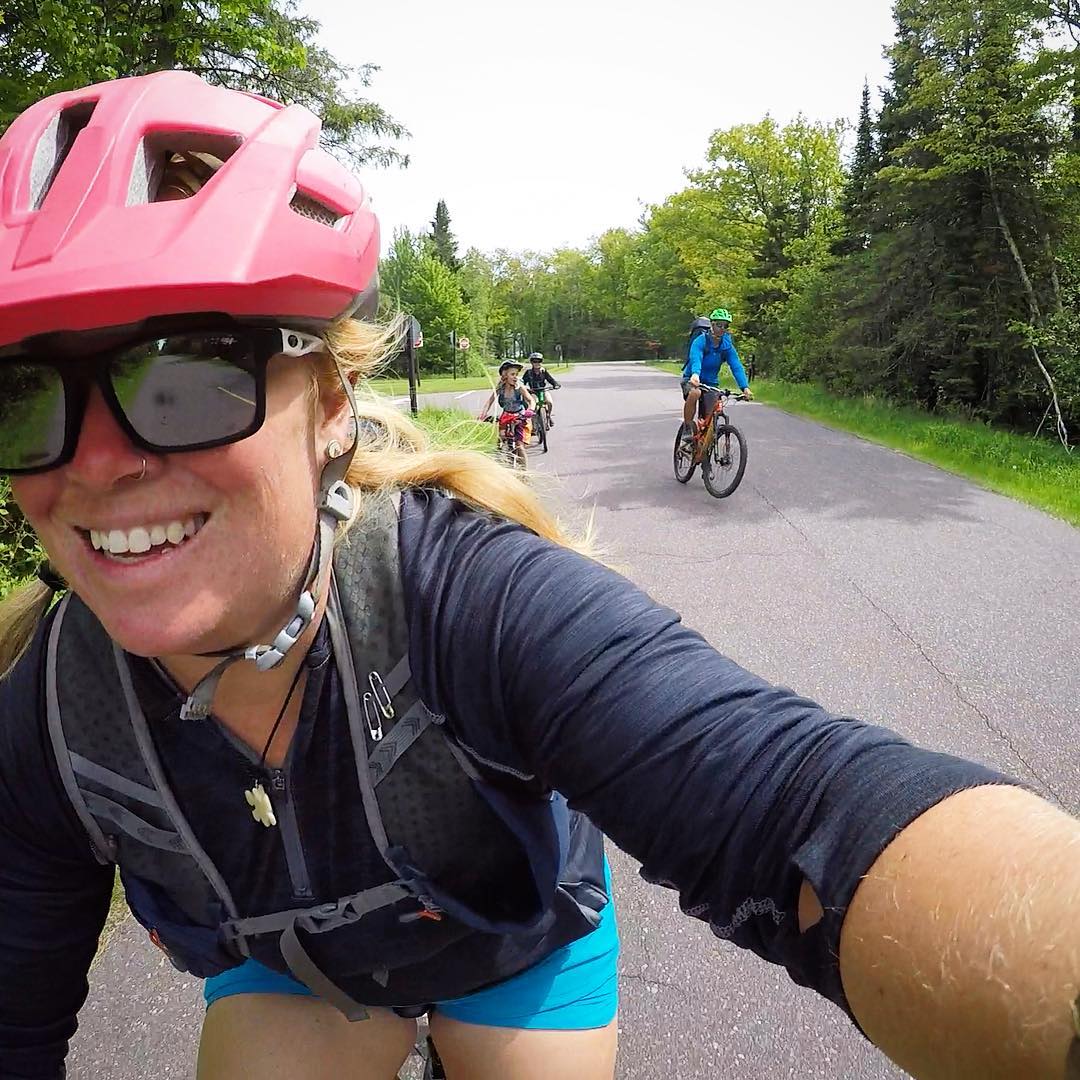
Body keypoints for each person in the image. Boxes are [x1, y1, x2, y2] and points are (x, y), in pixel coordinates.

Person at [1, 72, 1079, 1080]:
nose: (95, 463)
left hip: (516, 933)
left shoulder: (465, 596)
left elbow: (785, 792)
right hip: (297, 965)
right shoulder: (49, 713)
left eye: (188, 373)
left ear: (330, 404)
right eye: (26, 393)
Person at [681, 308, 753, 444]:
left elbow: (736, 366)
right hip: (692, 379)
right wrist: (695, 375)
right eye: (719, 325)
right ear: (712, 325)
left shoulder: (726, 345)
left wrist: (745, 387)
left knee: (710, 420)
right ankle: (688, 427)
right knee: (695, 393)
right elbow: (696, 358)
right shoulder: (701, 341)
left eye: (725, 326)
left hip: (711, 384)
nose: (722, 328)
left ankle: (704, 453)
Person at [479, 360, 534, 469]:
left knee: (519, 446)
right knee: (501, 439)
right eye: (512, 374)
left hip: (519, 417)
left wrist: (530, 411)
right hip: (506, 416)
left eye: (516, 375)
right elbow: (490, 401)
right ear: (505, 375)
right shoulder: (501, 388)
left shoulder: (519, 387)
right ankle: (502, 461)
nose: (515, 377)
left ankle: (524, 472)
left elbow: (531, 400)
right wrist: (483, 414)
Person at [521, 352, 561, 427]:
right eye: (534, 361)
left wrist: (555, 384)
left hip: (543, 390)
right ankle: (533, 422)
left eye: (539, 361)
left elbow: (550, 379)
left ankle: (548, 416)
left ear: (541, 362)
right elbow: (523, 382)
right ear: (531, 362)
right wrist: (525, 388)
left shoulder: (543, 371)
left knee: (549, 402)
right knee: (533, 404)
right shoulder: (528, 372)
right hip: (533, 391)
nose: (537, 363)